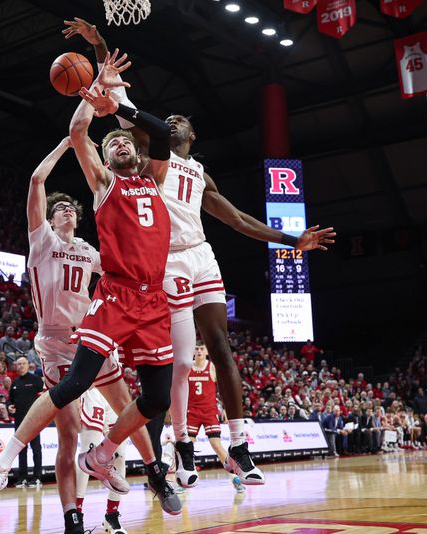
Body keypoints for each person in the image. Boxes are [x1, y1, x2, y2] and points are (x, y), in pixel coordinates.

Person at [63, 16, 335, 489]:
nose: (172, 121)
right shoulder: (150, 160)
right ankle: (182, 446)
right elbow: (115, 87)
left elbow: (239, 220)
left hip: (202, 256)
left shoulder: (200, 175)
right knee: (183, 364)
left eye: (180, 120)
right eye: (167, 121)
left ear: (193, 135)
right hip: (161, 262)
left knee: (222, 350)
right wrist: (100, 44)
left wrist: (294, 241)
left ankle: (238, 445)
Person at [0, 51, 180, 516]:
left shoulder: (155, 178)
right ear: (103, 160)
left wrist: (121, 107)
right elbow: (77, 134)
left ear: (138, 151)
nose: (120, 145)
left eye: (125, 143)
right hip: (114, 299)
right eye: (113, 146)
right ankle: (1, 468)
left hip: (154, 301)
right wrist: (94, 98)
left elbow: (163, 132)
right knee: (72, 386)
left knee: (157, 398)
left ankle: (106, 455)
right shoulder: (104, 183)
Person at [20, 132, 143, 532]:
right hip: (55, 343)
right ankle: (73, 517)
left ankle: (127, 492)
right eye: (59, 210)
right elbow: (37, 181)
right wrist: (67, 146)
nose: (65, 212)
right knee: (69, 433)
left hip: (89, 339)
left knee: (120, 416)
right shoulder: (41, 241)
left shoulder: (89, 251)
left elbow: (119, 272)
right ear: (51, 219)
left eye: (69, 209)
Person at [186, 343, 244, 492]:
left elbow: (224, 387)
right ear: (193, 351)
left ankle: (235, 478)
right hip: (191, 411)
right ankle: (185, 481)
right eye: (196, 348)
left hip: (209, 411)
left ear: (206, 351)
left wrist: (225, 407)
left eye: (201, 349)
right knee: (187, 447)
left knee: (217, 446)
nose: (199, 351)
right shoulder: (187, 367)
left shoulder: (211, 367)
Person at [75, 387, 129, 533]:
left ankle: (111, 516)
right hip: (92, 387)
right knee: (87, 454)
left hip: (114, 389)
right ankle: (76, 518)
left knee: (120, 455)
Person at [7, 357, 43, 488]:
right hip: (19, 421)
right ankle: (22, 478)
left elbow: (44, 397)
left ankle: (37, 477)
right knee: (21, 450)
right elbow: (10, 400)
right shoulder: (15, 382)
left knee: (36, 449)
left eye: (23, 364)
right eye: (18, 364)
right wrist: (9, 406)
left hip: (34, 421)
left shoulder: (36, 380)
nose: (21, 366)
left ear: (28, 365)